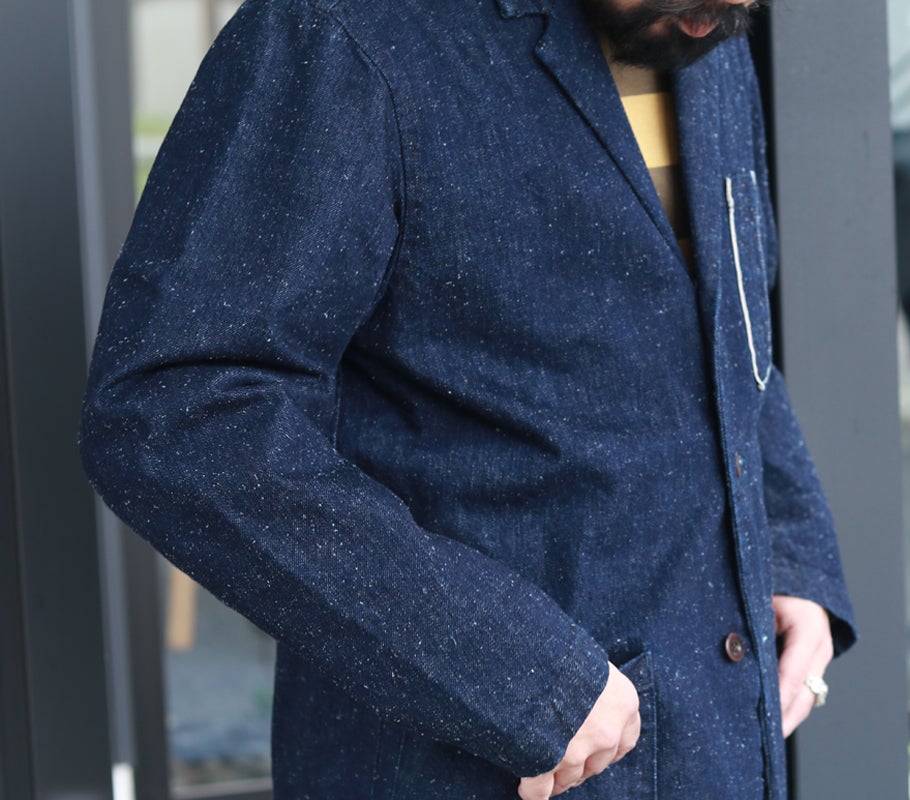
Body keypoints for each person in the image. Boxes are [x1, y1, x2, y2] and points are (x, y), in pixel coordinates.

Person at [79, 0, 857, 797]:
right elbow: (176, 410)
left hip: (716, 742)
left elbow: (725, 330)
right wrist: (515, 669)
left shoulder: (704, 28)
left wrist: (791, 550)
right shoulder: (343, 33)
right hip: (466, 762)